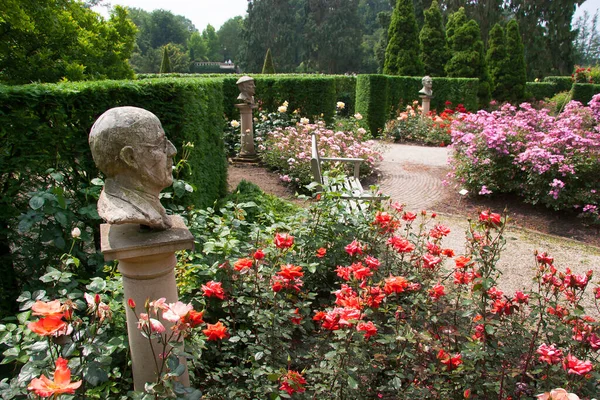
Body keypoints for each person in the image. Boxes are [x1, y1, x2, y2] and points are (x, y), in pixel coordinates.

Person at [89, 106, 177, 230]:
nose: (172, 150)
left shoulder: (149, 204)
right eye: (160, 143)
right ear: (130, 158)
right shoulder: (121, 211)